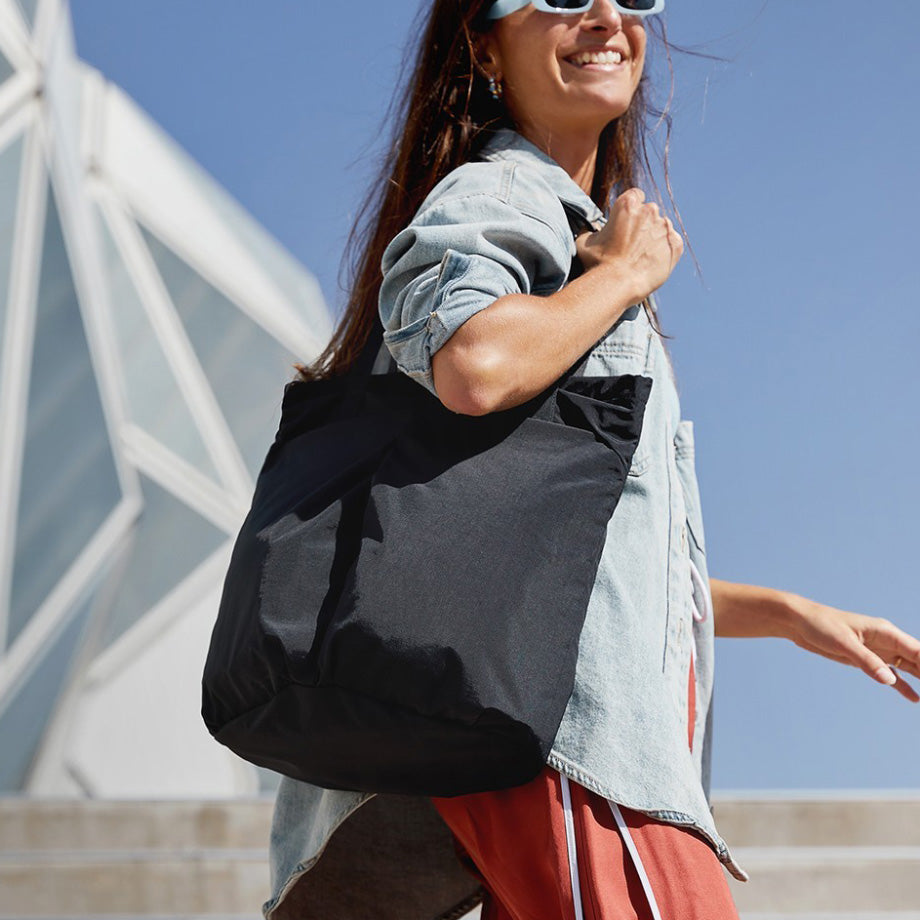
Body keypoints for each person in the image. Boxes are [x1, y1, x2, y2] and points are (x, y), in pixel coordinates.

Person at [264, 2, 920, 918]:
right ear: (483, 42)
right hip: (571, 750)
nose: (607, 14)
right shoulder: (503, 199)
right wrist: (621, 277)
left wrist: (787, 612)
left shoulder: (570, 224)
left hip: (547, 743)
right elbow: (474, 362)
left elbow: (577, 561)